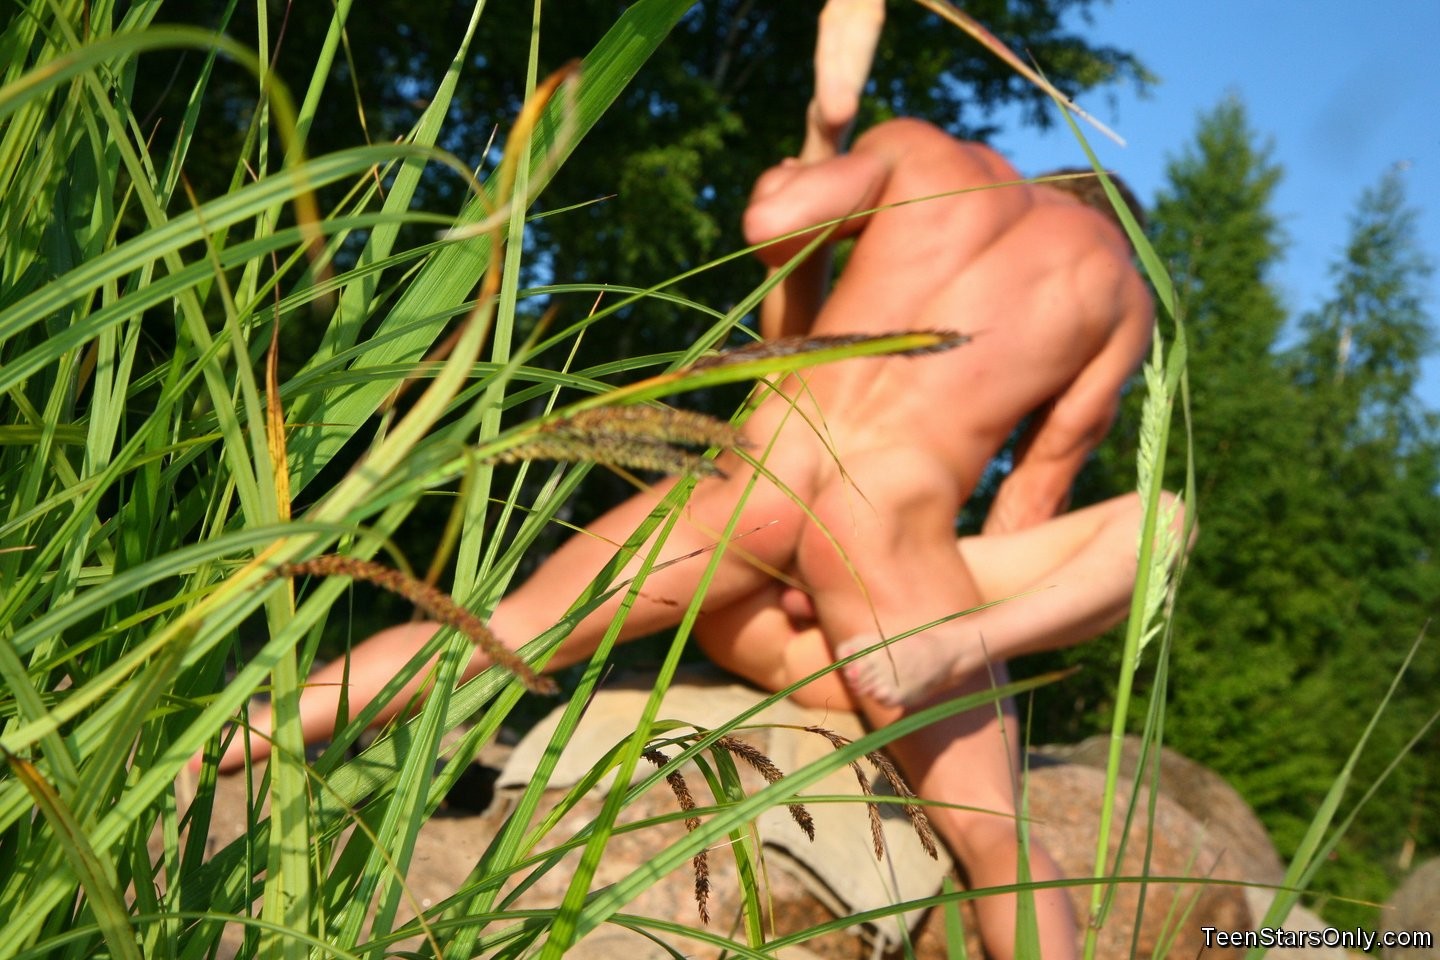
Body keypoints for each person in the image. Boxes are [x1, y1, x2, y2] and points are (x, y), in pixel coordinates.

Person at [211, 114, 1179, 958]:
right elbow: (1028, 507)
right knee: (997, 838)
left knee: (499, 632)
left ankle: (222, 747)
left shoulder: (928, 154)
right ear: (1118, 232)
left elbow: (775, 244)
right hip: (888, 535)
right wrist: (971, 656)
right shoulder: (1118, 295)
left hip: (760, 483)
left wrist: (823, 126)